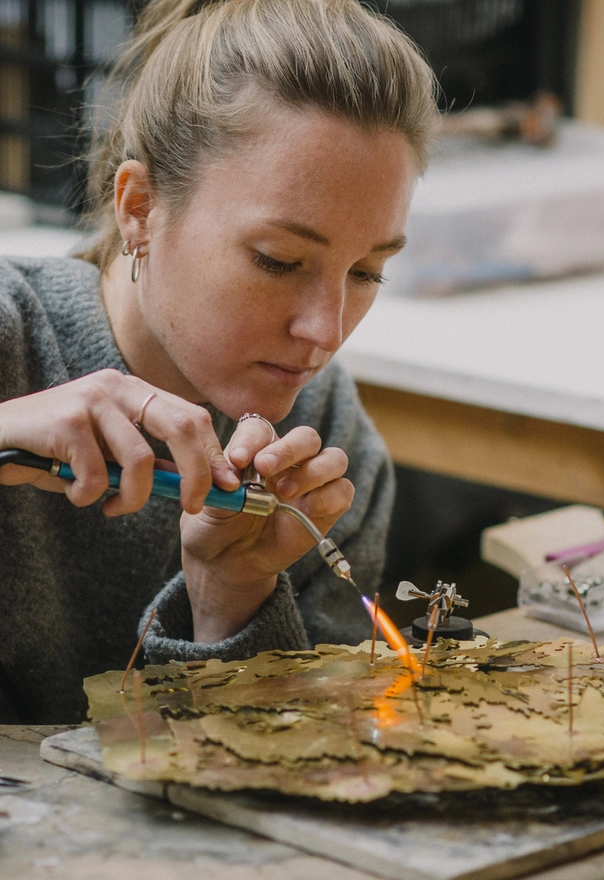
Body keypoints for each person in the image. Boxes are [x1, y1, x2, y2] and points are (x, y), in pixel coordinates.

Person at [0, 0, 438, 723]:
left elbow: (291, 772)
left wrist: (230, 596)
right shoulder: (11, 340)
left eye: (366, 272)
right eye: (278, 260)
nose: (324, 332)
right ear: (140, 207)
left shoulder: (330, 444)